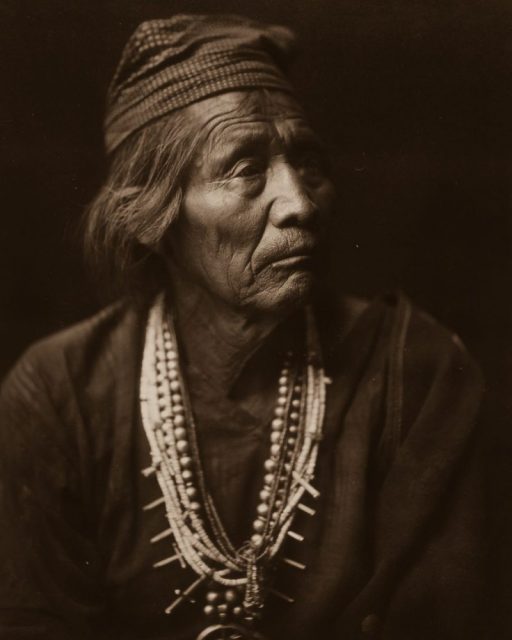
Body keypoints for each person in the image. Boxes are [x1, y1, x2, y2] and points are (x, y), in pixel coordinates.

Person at [0, 14, 486, 640]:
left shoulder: (418, 375)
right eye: (245, 168)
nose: (301, 204)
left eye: (308, 163)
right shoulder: (58, 394)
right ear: (151, 213)